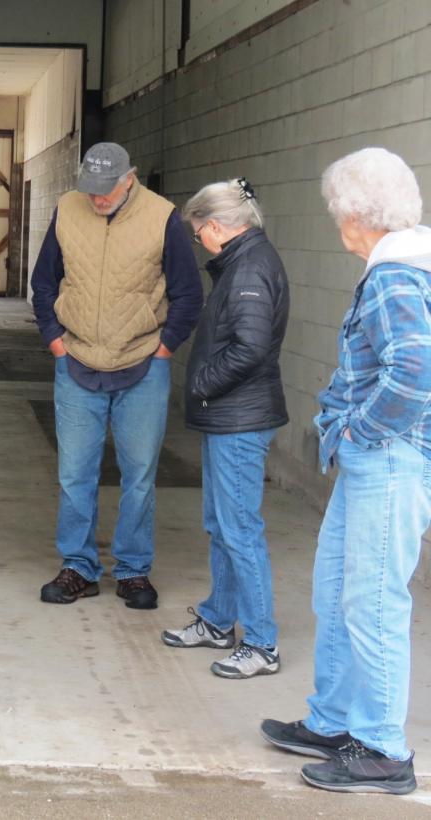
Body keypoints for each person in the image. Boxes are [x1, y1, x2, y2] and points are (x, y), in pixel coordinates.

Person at [261, 148, 430, 796]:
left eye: (337, 210)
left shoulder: (394, 276)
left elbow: (414, 372)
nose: (336, 222)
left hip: (388, 460)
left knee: (373, 602)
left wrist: (360, 430)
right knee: (335, 590)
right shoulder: (403, 265)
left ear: (356, 214)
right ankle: (333, 722)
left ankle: (383, 750)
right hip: (376, 461)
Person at [32, 142, 202, 610]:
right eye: (90, 189)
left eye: (106, 189)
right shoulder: (68, 209)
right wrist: (55, 341)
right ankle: (78, 567)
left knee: (140, 476)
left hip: (143, 363)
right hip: (76, 359)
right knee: (74, 474)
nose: (97, 198)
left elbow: (189, 293)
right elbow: (44, 282)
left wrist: (164, 349)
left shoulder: (162, 217)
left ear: (130, 179)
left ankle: (132, 570)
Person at [161, 178, 289, 679]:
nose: (200, 242)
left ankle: (261, 643)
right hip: (230, 417)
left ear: (215, 226)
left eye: (199, 234)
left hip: (239, 419)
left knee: (240, 531)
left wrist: (201, 384)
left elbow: (250, 348)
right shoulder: (242, 262)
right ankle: (218, 620)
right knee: (221, 525)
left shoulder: (250, 267)